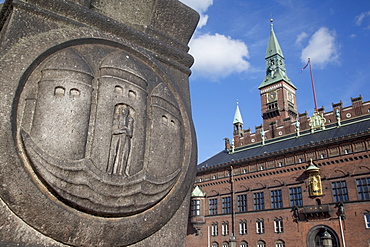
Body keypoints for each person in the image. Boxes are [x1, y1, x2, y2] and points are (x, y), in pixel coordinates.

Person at [107, 105, 134, 176]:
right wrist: (124, 130)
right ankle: (110, 170)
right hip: (117, 138)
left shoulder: (129, 120)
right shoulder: (117, 117)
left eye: (126, 110)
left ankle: (122, 171)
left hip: (126, 139)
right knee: (114, 153)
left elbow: (130, 133)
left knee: (124, 155)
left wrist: (124, 129)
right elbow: (114, 130)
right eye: (123, 109)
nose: (124, 111)